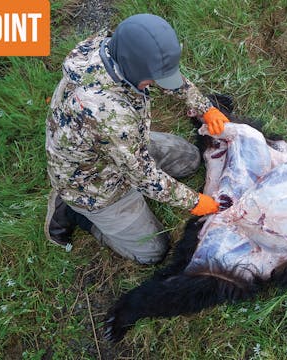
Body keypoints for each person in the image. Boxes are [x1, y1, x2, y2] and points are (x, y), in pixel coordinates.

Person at [44, 14, 230, 265]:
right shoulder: (107, 112)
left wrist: (204, 107)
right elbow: (142, 175)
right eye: (152, 80)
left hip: (121, 143)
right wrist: (194, 202)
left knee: (189, 159)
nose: (156, 83)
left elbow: (159, 70)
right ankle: (73, 210)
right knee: (152, 251)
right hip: (93, 183)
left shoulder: (113, 49)